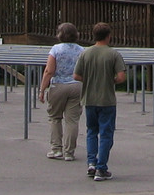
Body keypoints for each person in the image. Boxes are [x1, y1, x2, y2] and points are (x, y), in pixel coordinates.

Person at [72, 22, 126, 181]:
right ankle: (101, 168)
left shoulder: (85, 53)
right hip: (107, 99)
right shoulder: (113, 54)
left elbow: (76, 76)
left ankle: (91, 163)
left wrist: (89, 79)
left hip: (89, 98)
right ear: (108, 36)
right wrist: (111, 81)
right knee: (106, 134)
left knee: (91, 131)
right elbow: (121, 77)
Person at [38, 22, 84, 161]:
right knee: (72, 120)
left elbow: (49, 71)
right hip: (77, 85)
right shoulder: (82, 50)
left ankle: (56, 148)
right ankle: (69, 152)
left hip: (58, 85)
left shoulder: (56, 49)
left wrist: (42, 89)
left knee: (55, 117)